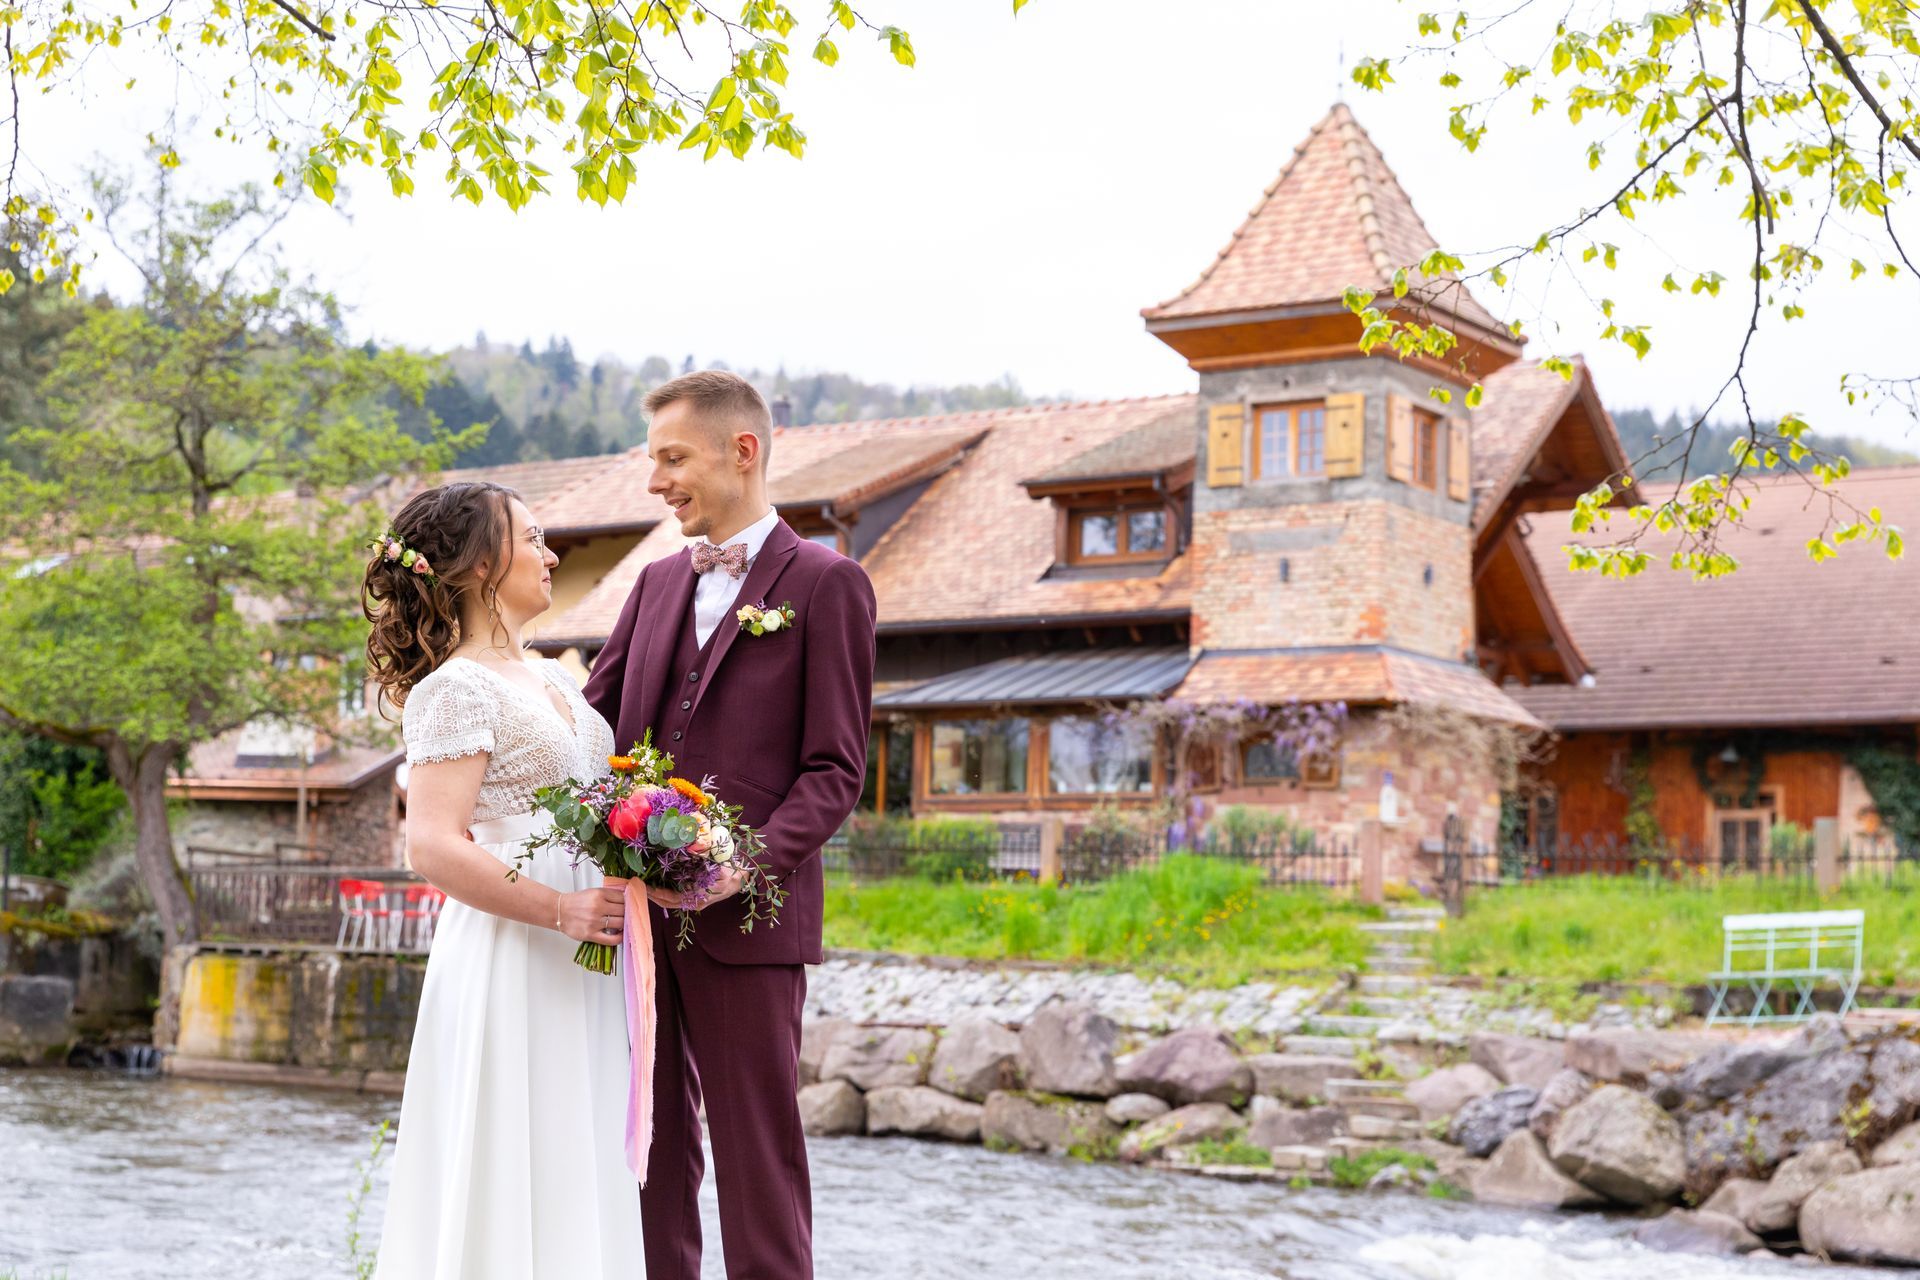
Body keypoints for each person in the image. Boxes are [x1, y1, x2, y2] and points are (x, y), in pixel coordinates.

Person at [583, 370, 878, 1280]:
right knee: (648, 1158)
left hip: (749, 928)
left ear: (741, 451)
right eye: (653, 460)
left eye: (672, 458)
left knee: (759, 1163)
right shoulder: (655, 583)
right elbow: (592, 728)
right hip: (635, 921)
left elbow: (836, 771)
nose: (655, 481)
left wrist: (741, 868)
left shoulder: (830, 584)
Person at [363, 480, 642, 1279]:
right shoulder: (453, 689)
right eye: (535, 538)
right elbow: (434, 846)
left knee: (577, 1143)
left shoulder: (557, 681)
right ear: (483, 565)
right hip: (517, 947)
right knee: (512, 1145)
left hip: (586, 952)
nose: (552, 555)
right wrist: (559, 907)